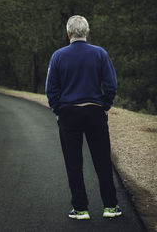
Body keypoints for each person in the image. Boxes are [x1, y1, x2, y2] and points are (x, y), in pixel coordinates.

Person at [45, 15, 122, 220]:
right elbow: (111, 85)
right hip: (94, 111)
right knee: (102, 160)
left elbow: (51, 89)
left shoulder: (58, 56)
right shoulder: (100, 54)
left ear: (68, 33)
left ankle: (80, 209)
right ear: (87, 32)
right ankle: (110, 207)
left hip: (69, 113)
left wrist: (57, 110)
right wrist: (105, 105)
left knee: (74, 162)